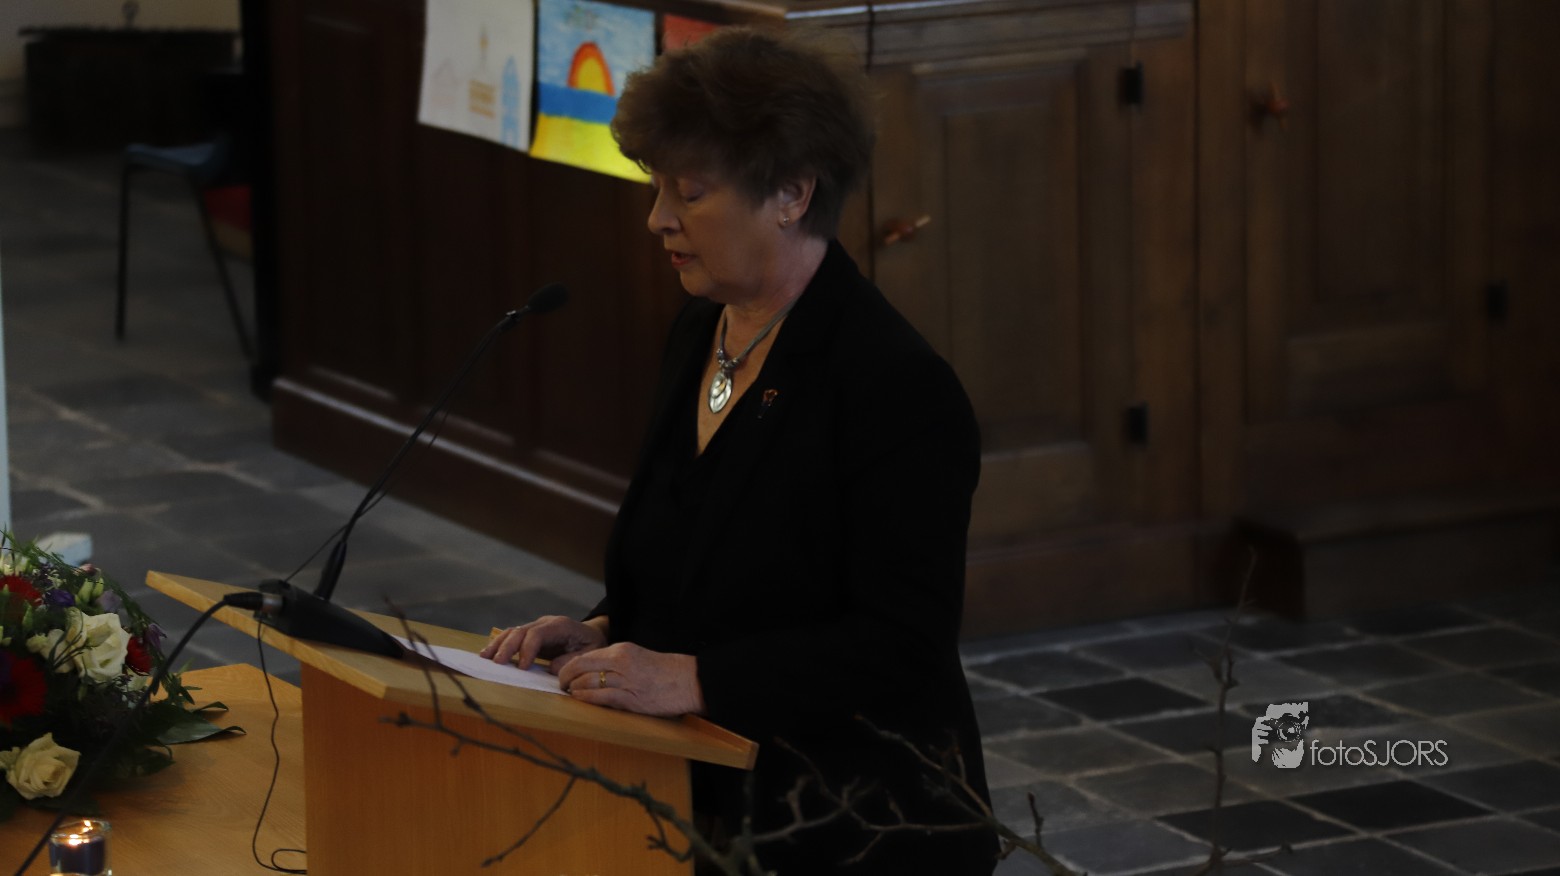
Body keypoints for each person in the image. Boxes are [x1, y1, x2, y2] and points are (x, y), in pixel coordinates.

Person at [482, 26, 997, 875]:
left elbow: (903, 644)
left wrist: (694, 680)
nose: (658, 218)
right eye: (656, 187)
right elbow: (699, 554)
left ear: (792, 193)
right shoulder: (701, 330)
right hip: (703, 800)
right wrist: (602, 630)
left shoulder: (895, 385)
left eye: (689, 192)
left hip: (850, 821)